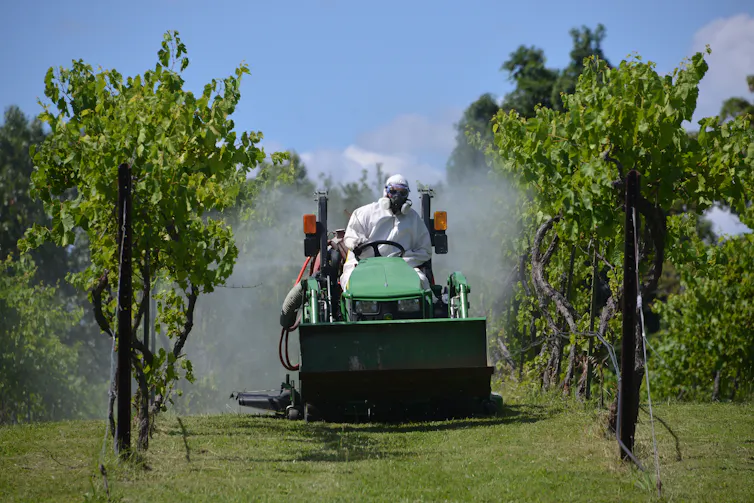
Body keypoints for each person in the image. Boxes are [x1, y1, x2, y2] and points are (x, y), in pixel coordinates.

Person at [339, 174, 433, 290]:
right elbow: (351, 237)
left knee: (422, 283)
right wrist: (358, 244)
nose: (397, 197)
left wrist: (404, 262)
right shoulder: (364, 213)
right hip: (362, 266)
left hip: (402, 269)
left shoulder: (413, 219)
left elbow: (425, 250)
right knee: (352, 285)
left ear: (407, 195)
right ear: (386, 192)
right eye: (393, 191)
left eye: (402, 193)